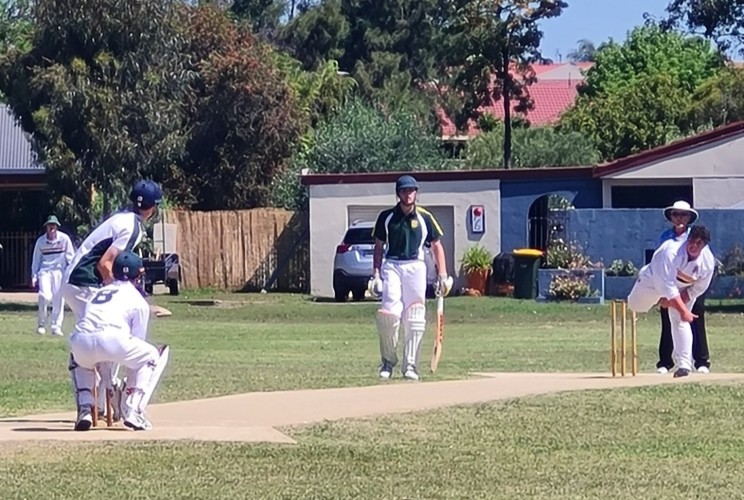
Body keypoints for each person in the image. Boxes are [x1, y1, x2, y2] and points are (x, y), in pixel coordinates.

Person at [62, 179, 162, 417]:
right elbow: (105, 263)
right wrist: (121, 293)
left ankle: (98, 401)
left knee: (97, 338)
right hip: (84, 281)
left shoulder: (122, 218)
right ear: (153, 207)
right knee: (109, 333)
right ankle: (110, 395)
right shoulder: (133, 226)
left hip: (75, 280)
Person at [68, 251, 169, 431]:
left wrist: (108, 378)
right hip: (113, 339)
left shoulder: (98, 292)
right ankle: (132, 409)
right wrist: (124, 386)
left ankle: (85, 409)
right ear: (138, 275)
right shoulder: (138, 302)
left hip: (82, 339)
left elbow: (92, 328)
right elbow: (137, 342)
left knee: (80, 361)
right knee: (150, 356)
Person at [368, 175, 453, 381]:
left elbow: (436, 246)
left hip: (415, 266)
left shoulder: (424, 217)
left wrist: (442, 275)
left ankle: (410, 365)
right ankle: (388, 361)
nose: (409, 194)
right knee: (389, 314)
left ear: (416, 193)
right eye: (405, 191)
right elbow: (378, 247)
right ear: (398, 194)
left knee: (415, 315)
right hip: (392, 265)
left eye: (412, 190)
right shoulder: (386, 217)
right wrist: (376, 274)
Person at [627, 225, 715, 378]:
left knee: (680, 320)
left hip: (682, 288)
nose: (694, 246)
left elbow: (697, 289)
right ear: (687, 239)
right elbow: (667, 287)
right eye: (692, 241)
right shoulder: (671, 252)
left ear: (704, 245)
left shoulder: (707, 263)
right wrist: (679, 308)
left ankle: (684, 365)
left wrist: (681, 308)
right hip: (653, 280)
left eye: (699, 243)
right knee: (635, 306)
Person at [655, 201, 712, 374]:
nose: (679, 218)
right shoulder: (665, 237)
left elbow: (703, 264)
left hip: (692, 284)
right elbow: (659, 265)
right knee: (668, 320)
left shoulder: (695, 235)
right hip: (671, 283)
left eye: (683, 215)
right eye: (676, 214)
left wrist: (688, 294)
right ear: (671, 217)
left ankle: (701, 361)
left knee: (694, 318)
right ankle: (665, 362)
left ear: (689, 218)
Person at [30, 215, 75, 336]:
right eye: (50, 226)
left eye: (54, 226)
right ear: (46, 227)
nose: (52, 228)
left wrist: (71, 273)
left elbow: (70, 257)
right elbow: (36, 260)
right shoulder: (41, 241)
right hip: (45, 271)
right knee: (45, 296)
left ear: (57, 227)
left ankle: (56, 326)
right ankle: (41, 324)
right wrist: (34, 276)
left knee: (58, 299)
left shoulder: (64, 239)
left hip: (60, 272)